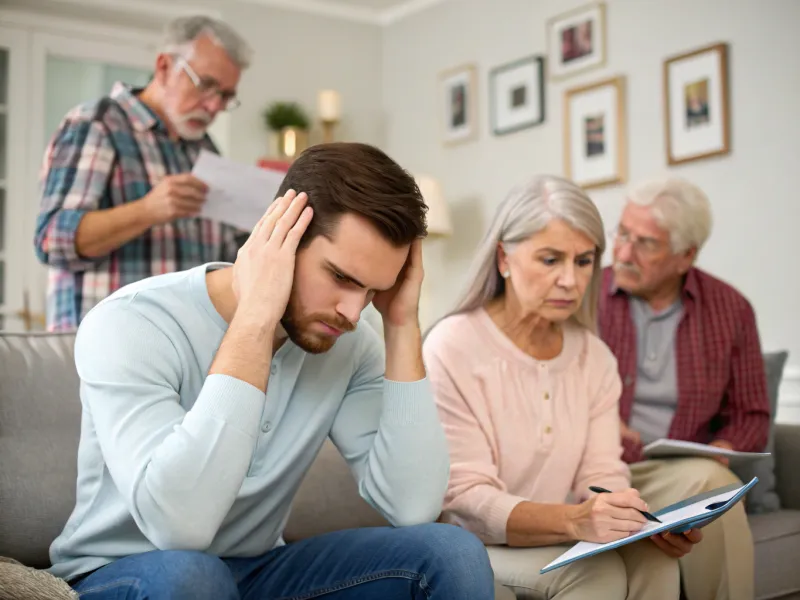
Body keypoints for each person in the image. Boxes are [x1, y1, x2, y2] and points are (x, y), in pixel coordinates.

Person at [49, 142, 497, 599]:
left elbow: (412, 506)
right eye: (341, 278)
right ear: (278, 236)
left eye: (372, 291)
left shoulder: (350, 342)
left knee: (450, 552)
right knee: (194, 578)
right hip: (125, 572)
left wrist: (401, 324)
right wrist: (255, 322)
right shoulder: (131, 322)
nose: (353, 310)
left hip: (258, 570)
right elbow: (179, 527)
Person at [423, 175, 697, 600]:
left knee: (657, 558)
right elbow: (466, 501)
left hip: (560, 534)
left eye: (584, 261)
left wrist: (629, 517)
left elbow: (601, 472)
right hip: (474, 544)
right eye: (550, 260)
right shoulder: (453, 346)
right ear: (504, 259)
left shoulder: (595, 358)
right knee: (596, 576)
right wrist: (573, 520)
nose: (570, 280)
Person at [598, 177, 769, 600]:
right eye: (621, 233)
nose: (623, 253)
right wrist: (601, 423)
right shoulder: (583, 295)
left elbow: (752, 413)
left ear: (685, 255)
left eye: (645, 244)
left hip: (675, 472)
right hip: (595, 463)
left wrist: (722, 450)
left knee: (715, 484)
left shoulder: (731, 309)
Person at [34, 15, 251, 332]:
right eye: (206, 85)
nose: (214, 106)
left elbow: (224, 256)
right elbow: (52, 241)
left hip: (182, 350)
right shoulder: (97, 124)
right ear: (164, 67)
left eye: (227, 96)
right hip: (103, 347)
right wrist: (147, 210)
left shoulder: (204, 148)